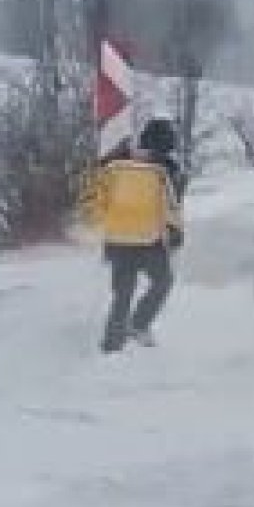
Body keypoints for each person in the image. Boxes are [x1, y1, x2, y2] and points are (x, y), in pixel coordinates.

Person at [89, 118, 185, 354]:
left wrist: (100, 226)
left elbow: (96, 199)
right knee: (163, 281)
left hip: (116, 239)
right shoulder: (166, 169)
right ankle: (139, 324)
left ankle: (112, 345)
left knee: (123, 292)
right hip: (148, 239)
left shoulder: (113, 164)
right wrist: (175, 231)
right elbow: (170, 205)